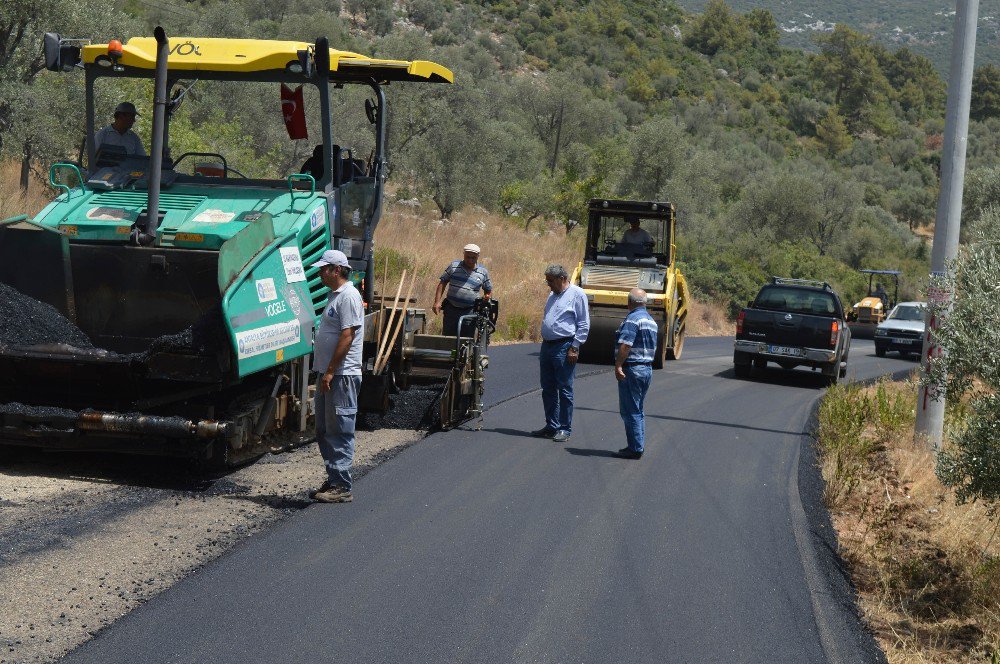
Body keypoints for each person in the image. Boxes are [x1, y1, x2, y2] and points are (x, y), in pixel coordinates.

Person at [310, 249, 364, 504]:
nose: (320, 273)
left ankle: (341, 485)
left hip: (342, 374)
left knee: (339, 429)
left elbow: (347, 335)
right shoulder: (335, 296)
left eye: (323, 268)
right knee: (324, 429)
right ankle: (334, 478)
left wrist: (331, 370)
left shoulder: (349, 296)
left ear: (337, 270)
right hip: (329, 373)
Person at [532, 264, 590, 443]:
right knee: (548, 388)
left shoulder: (577, 294)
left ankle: (565, 428)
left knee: (565, 389)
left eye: (550, 281)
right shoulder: (552, 295)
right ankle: (552, 426)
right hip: (547, 346)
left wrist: (575, 346)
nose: (548, 284)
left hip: (564, 347)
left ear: (562, 278)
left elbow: (583, 323)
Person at [614, 288, 657, 460]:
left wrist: (618, 365)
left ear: (629, 303)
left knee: (630, 410)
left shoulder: (633, 319)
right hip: (646, 369)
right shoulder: (651, 321)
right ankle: (636, 445)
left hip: (633, 368)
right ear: (644, 302)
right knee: (638, 409)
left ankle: (635, 448)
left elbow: (626, 345)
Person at [433, 244, 493, 336]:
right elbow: (443, 282)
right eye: (467, 257)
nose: (470, 260)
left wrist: (486, 298)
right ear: (463, 254)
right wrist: (437, 302)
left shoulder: (482, 272)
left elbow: (488, 290)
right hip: (451, 309)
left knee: (466, 340)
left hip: (470, 311)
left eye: (473, 258)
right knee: (449, 339)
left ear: (478, 257)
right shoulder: (454, 267)